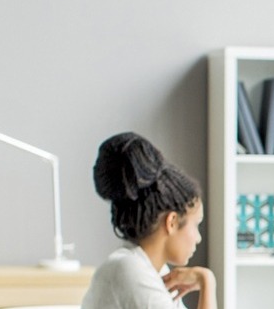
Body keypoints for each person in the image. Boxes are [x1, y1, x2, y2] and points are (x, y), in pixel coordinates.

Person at [82, 132, 217, 309]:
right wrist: (207, 282)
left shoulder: (151, 271)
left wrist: (205, 279)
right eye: (196, 224)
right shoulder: (130, 271)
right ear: (172, 222)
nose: (198, 238)